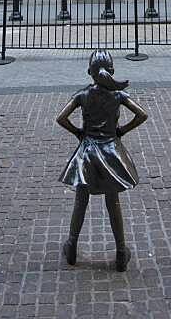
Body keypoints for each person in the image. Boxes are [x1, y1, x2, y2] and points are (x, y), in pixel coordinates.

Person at [56, 49, 147, 271]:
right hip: (110, 151)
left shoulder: (83, 95)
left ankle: (72, 244)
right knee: (113, 202)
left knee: (81, 201)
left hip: (87, 152)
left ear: (89, 72)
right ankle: (121, 250)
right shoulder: (118, 96)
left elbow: (61, 118)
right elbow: (141, 114)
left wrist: (79, 133)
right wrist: (121, 130)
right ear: (112, 70)